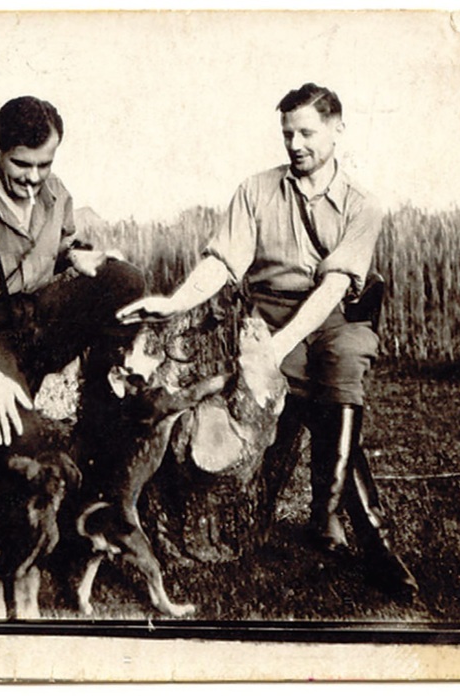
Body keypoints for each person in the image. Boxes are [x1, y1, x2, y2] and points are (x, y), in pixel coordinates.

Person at [117, 83, 418, 600]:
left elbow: (335, 287)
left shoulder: (363, 205)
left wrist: (280, 350)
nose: (295, 144)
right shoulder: (255, 190)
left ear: (337, 130)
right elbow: (222, 262)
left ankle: (357, 531)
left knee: (343, 365)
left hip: (335, 315)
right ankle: (347, 528)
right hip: (268, 315)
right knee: (320, 403)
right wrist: (175, 301)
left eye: (307, 133)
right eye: (287, 134)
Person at [0, 95, 145, 450]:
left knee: (124, 280)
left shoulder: (54, 192)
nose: (33, 178)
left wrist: (75, 255)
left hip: (31, 323)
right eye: (21, 164)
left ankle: (100, 415)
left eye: (45, 165)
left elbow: (58, 245)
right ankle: (3, 396)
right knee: (24, 436)